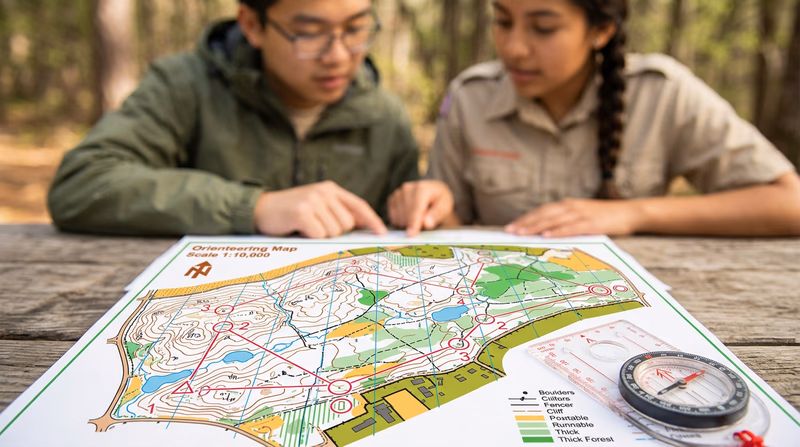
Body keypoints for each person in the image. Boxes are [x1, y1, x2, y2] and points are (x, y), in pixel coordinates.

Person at [389, 0, 800, 237]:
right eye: (502, 21)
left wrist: (634, 213)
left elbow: (789, 203)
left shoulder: (661, 92)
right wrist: (433, 209)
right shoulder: (470, 98)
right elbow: (455, 229)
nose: (514, 48)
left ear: (600, 31)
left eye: (544, 28)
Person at [48, 0, 420, 238]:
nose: (338, 55)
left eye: (355, 28)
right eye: (309, 33)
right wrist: (254, 207)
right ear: (252, 25)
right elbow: (82, 184)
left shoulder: (385, 117)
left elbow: (404, 223)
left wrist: (431, 207)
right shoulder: (185, 86)